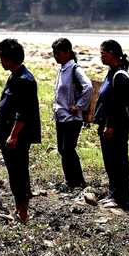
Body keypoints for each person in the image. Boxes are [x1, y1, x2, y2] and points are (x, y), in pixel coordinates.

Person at [0, 39, 41, 223]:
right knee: (14, 172)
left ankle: (23, 212)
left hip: (17, 136)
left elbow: (24, 112)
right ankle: (18, 208)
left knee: (19, 172)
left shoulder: (25, 80)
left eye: (1, 57)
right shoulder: (14, 76)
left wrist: (13, 135)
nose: (0, 61)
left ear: (8, 58)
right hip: (7, 133)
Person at [93, 40, 129, 209]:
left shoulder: (120, 77)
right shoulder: (112, 73)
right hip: (107, 126)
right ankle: (113, 194)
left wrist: (110, 126)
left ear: (112, 53)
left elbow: (118, 106)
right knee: (110, 162)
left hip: (115, 128)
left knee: (119, 162)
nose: (101, 57)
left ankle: (122, 198)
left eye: (103, 53)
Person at [52, 38, 93, 190]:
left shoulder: (75, 69)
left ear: (67, 52)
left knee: (69, 149)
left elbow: (88, 87)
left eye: (58, 53)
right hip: (61, 116)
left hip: (72, 118)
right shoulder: (62, 68)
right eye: (54, 53)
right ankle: (70, 181)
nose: (55, 56)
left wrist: (79, 106)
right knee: (63, 150)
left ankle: (79, 181)